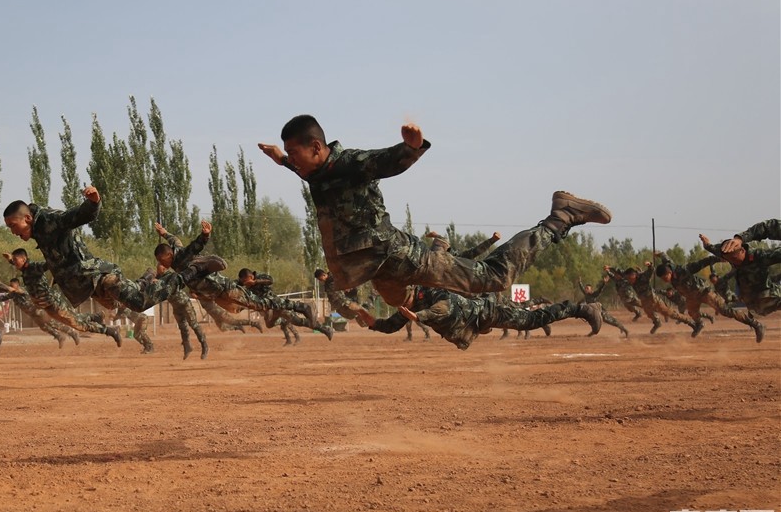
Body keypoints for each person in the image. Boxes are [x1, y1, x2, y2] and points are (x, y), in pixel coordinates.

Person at [259, 115, 611, 307]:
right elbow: (300, 168)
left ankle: (560, 216)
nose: (294, 161)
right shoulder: (315, 173)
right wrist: (281, 159)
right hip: (374, 270)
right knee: (398, 300)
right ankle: (444, 309)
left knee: (492, 279)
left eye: (296, 152)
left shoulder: (349, 164)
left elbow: (384, 162)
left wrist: (410, 148)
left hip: (395, 255)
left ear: (317, 147)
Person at [3, 187, 219, 315]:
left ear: (28, 218)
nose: (13, 232)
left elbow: (76, 216)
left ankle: (191, 270)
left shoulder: (50, 220)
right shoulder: (37, 230)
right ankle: (145, 279)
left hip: (98, 276)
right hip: (88, 285)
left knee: (139, 303)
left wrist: (94, 201)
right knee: (113, 305)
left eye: (13, 226)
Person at [154, 222, 319, 326]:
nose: (161, 264)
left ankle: (301, 307)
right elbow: (174, 240)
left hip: (224, 289)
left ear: (169, 256)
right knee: (248, 307)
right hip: (216, 295)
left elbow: (194, 247)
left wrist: (205, 236)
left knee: (259, 304)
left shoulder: (182, 255)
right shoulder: (174, 254)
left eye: (162, 261)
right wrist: (163, 232)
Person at [357, 286, 603, 351]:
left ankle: (581, 309)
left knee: (531, 320)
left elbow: (445, 307)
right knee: (530, 318)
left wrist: (419, 315)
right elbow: (391, 325)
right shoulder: (406, 305)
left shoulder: (429, 293)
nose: (400, 307)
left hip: (486, 310)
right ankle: (581, 309)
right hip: (476, 323)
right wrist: (373, 323)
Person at [3, 248, 122, 346]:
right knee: (74, 321)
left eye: (16, 259)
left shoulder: (33, 267)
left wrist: (59, 259)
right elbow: (18, 264)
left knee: (78, 325)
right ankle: (95, 317)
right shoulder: (24, 269)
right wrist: (10, 259)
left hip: (54, 303)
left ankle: (110, 331)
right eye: (13, 260)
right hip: (47, 307)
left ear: (24, 259)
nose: (14, 262)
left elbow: (48, 265)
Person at [655, 253, 764, 343]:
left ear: (669, 272)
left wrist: (719, 258)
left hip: (703, 292)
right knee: (692, 312)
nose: (665, 280)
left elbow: (703, 262)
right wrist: (659, 254)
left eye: (665, 277)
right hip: (691, 297)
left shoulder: (684, 270)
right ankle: (700, 324)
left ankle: (756, 325)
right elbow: (666, 258)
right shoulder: (669, 267)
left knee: (725, 311)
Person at [238, 268, 333, 341]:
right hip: (268, 309)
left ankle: (324, 328)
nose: (245, 284)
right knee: (269, 324)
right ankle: (283, 321)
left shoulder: (259, 277)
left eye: (246, 281)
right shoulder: (244, 284)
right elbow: (235, 284)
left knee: (298, 321)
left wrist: (255, 282)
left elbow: (270, 280)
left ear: (250, 277)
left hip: (275, 304)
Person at [700, 233, 781, 317]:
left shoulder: (758, 256)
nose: (734, 262)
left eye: (735, 259)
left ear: (742, 250)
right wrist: (707, 244)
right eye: (730, 260)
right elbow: (714, 249)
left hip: (772, 297)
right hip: (756, 305)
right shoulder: (727, 252)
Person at [609, 263, 700, 336]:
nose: (628, 280)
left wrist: (650, 265)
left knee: (670, 313)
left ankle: (691, 323)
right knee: (649, 313)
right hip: (644, 300)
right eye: (627, 278)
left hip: (653, 299)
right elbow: (619, 272)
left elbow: (651, 270)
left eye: (629, 278)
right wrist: (610, 268)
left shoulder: (643, 277)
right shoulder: (628, 277)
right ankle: (657, 323)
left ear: (634, 275)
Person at [0, 278, 80, 348]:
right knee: (43, 327)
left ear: (17, 284)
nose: (11, 286)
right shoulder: (13, 295)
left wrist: (9, 289)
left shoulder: (22, 290)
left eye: (12, 285)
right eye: (10, 285)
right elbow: (3, 297)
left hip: (39, 311)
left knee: (53, 324)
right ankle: (59, 336)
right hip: (32, 314)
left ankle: (72, 333)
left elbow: (19, 291)